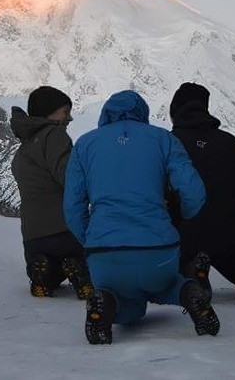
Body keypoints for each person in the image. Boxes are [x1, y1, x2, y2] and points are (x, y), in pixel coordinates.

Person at [64, 90, 219, 345]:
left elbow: (72, 206)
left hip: (105, 255)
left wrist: (90, 239)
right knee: (168, 284)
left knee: (128, 309)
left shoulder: (84, 144)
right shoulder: (163, 139)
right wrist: (183, 219)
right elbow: (193, 191)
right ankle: (188, 292)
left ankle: (107, 301)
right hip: (158, 251)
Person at [168, 82, 235, 303]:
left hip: (183, 235)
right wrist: (229, 217)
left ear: (175, 109)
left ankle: (193, 272)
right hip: (229, 233)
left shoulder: (166, 145)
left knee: (168, 274)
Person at [10, 86, 92, 299]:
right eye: (65, 111)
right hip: (66, 229)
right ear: (50, 111)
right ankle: (78, 266)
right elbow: (70, 179)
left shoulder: (23, 149)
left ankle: (43, 271)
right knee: (89, 262)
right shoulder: (54, 136)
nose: (70, 118)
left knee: (52, 276)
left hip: (33, 237)